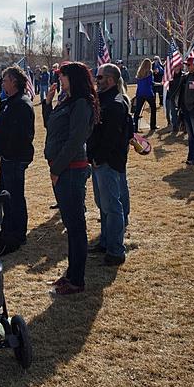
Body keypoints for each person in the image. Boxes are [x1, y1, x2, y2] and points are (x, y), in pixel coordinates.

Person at [43, 62, 98, 296]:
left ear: (73, 78)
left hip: (71, 169)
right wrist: (47, 103)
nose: (60, 80)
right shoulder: (66, 100)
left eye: (62, 76)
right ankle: (70, 274)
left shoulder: (82, 103)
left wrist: (57, 167)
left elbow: (75, 139)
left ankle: (77, 279)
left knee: (76, 227)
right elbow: (51, 127)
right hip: (62, 167)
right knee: (70, 224)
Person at [88, 63, 131, 266]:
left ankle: (115, 250)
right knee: (103, 205)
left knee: (112, 207)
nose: (96, 81)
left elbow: (112, 137)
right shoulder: (103, 99)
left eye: (99, 77)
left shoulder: (115, 103)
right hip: (99, 161)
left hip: (109, 162)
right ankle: (105, 242)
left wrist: (99, 158)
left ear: (111, 80)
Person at [0, 66, 35, 256]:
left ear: (14, 82)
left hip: (15, 158)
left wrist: (6, 150)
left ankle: (17, 233)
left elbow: (22, 135)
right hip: (7, 157)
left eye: (5, 80)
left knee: (14, 196)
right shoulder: (9, 101)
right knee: (5, 194)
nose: (2, 83)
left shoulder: (22, 103)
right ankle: (8, 228)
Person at [132, 58, 157, 133]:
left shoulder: (139, 72)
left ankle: (135, 128)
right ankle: (153, 126)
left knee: (137, 111)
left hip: (140, 93)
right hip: (148, 93)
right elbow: (150, 82)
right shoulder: (149, 72)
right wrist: (157, 83)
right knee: (153, 109)